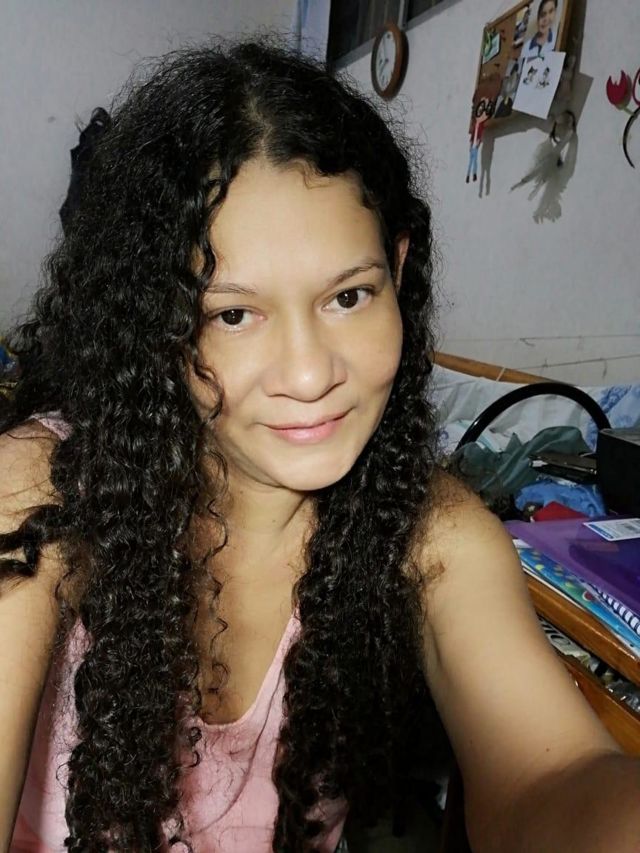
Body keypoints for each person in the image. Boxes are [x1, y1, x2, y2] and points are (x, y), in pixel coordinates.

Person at [1, 38, 639, 853]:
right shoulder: (38, 497)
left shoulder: (430, 532)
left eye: (348, 296)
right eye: (233, 314)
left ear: (396, 271)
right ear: (153, 321)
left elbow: (551, 776)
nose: (309, 375)